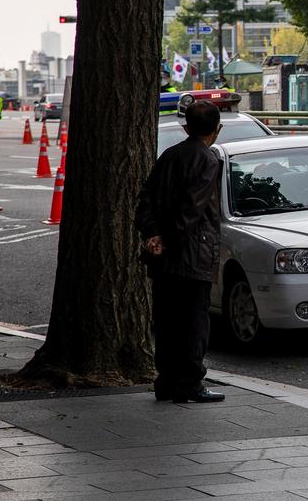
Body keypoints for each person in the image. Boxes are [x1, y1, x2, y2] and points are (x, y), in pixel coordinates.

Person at [135, 101, 225, 404]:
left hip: (165, 256)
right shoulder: (208, 159)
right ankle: (189, 383)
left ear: (186, 127)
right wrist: (169, 239)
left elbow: (146, 198)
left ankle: (167, 381)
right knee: (194, 321)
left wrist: (153, 235)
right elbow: (192, 210)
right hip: (193, 253)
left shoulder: (169, 156)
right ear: (217, 129)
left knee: (167, 320)